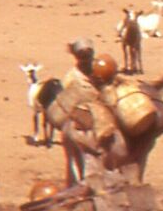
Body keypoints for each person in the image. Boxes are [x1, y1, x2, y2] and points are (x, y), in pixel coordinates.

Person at [48, 38, 118, 185]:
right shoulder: (71, 78)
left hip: (96, 123)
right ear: (77, 57)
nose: (87, 60)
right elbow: (66, 102)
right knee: (80, 167)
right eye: (83, 56)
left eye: (89, 56)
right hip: (78, 127)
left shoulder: (98, 71)